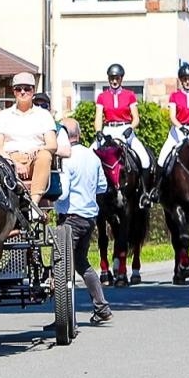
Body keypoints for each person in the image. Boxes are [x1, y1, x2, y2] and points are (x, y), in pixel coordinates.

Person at [55, 118, 113, 324]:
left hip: (70, 218)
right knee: (81, 263)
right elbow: (102, 186)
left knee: (62, 268)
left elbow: (62, 193)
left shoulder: (66, 159)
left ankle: (64, 318)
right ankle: (101, 306)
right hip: (89, 217)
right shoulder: (93, 156)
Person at [0, 72, 62, 208]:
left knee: (45, 155)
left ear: (33, 91)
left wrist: (39, 149)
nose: (23, 92)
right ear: (14, 91)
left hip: (35, 160)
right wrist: (15, 163)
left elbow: (52, 144)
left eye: (27, 88)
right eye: (18, 89)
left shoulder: (44, 115)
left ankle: (34, 204)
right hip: (10, 159)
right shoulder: (3, 115)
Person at [94, 63, 153, 178]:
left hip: (125, 129)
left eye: (117, 78)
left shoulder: (130, 95)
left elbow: (136, 118)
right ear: (108, 79)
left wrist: (131, 128)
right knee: (90, 155)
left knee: (145, 159)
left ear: (121, 79)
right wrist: (98, 131)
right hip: (108, 130)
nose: (114, 81)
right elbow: (98, 118)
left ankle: (145, 192)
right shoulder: (102, 96)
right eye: (112, 78)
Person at [159, 62, 189, 169]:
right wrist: (181, 127)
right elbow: (172, 116)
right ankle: (158, 184)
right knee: (161, 159)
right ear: (181, 80)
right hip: (177, 131)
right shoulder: (175, 96)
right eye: (185, 79)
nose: (187, 82)